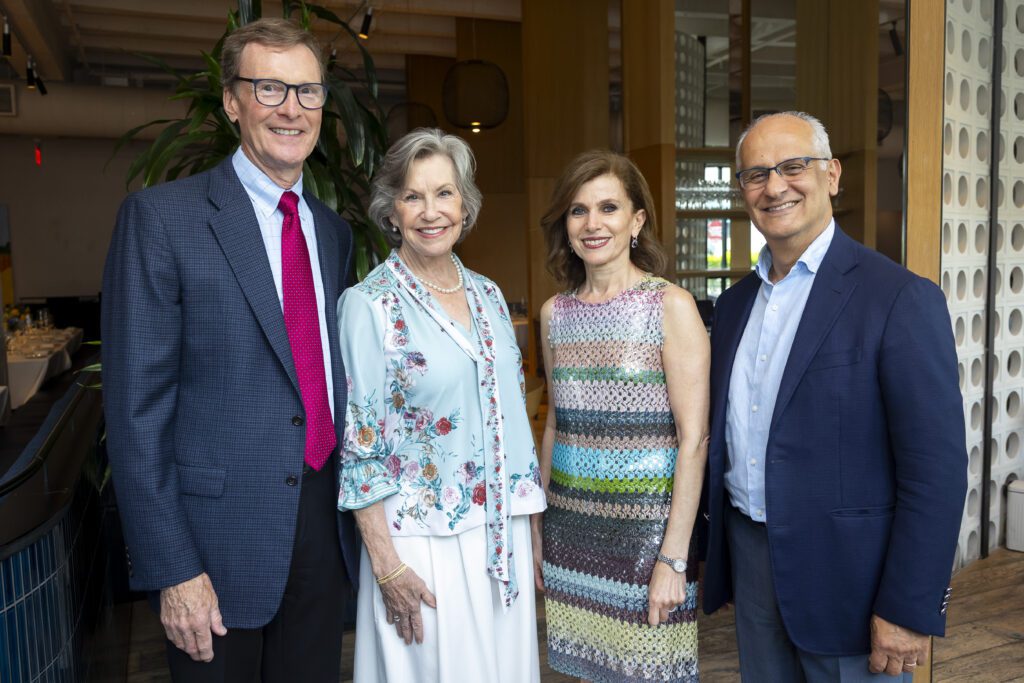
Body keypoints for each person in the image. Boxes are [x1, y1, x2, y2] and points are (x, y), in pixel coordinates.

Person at [101, 18, 358, 682]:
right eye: (269, 87)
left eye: (307, 91)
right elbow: (135, 414)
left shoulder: (331, 232)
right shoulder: (163, 219)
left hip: (323, 535)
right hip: (214, 548)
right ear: (230, 101)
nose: (291, 108)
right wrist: (174, 566)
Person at [703, 111, 968, 681]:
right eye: (756, 174)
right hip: (752, 561)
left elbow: (936, 471)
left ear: (832, 175)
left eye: (793, 166)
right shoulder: (731, 307)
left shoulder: (899, 298)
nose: (775, 186)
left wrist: (907, 605)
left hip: (855, 581)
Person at [337, 128, 547, 682]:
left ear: (465, 204)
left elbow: (513, 422)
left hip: (500, 536)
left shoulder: (490, 294)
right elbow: (360, 446)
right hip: (420, 544)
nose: (431, 211)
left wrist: (530, 529)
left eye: (444, 194)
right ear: (392, 211)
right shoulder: (368, 305)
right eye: (413, 196)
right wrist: (385, 563)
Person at [535, 150, 709, 682]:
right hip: (570, 535)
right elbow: (554, 424)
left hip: (647, 542)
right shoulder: (553, 312)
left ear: (636, 221)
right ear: (565, 225)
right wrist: (539, 529)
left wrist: (673, 559)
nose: (593, 224)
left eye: (608, 207)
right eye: (578, 210)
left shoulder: (670, 305)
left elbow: (693, 439)